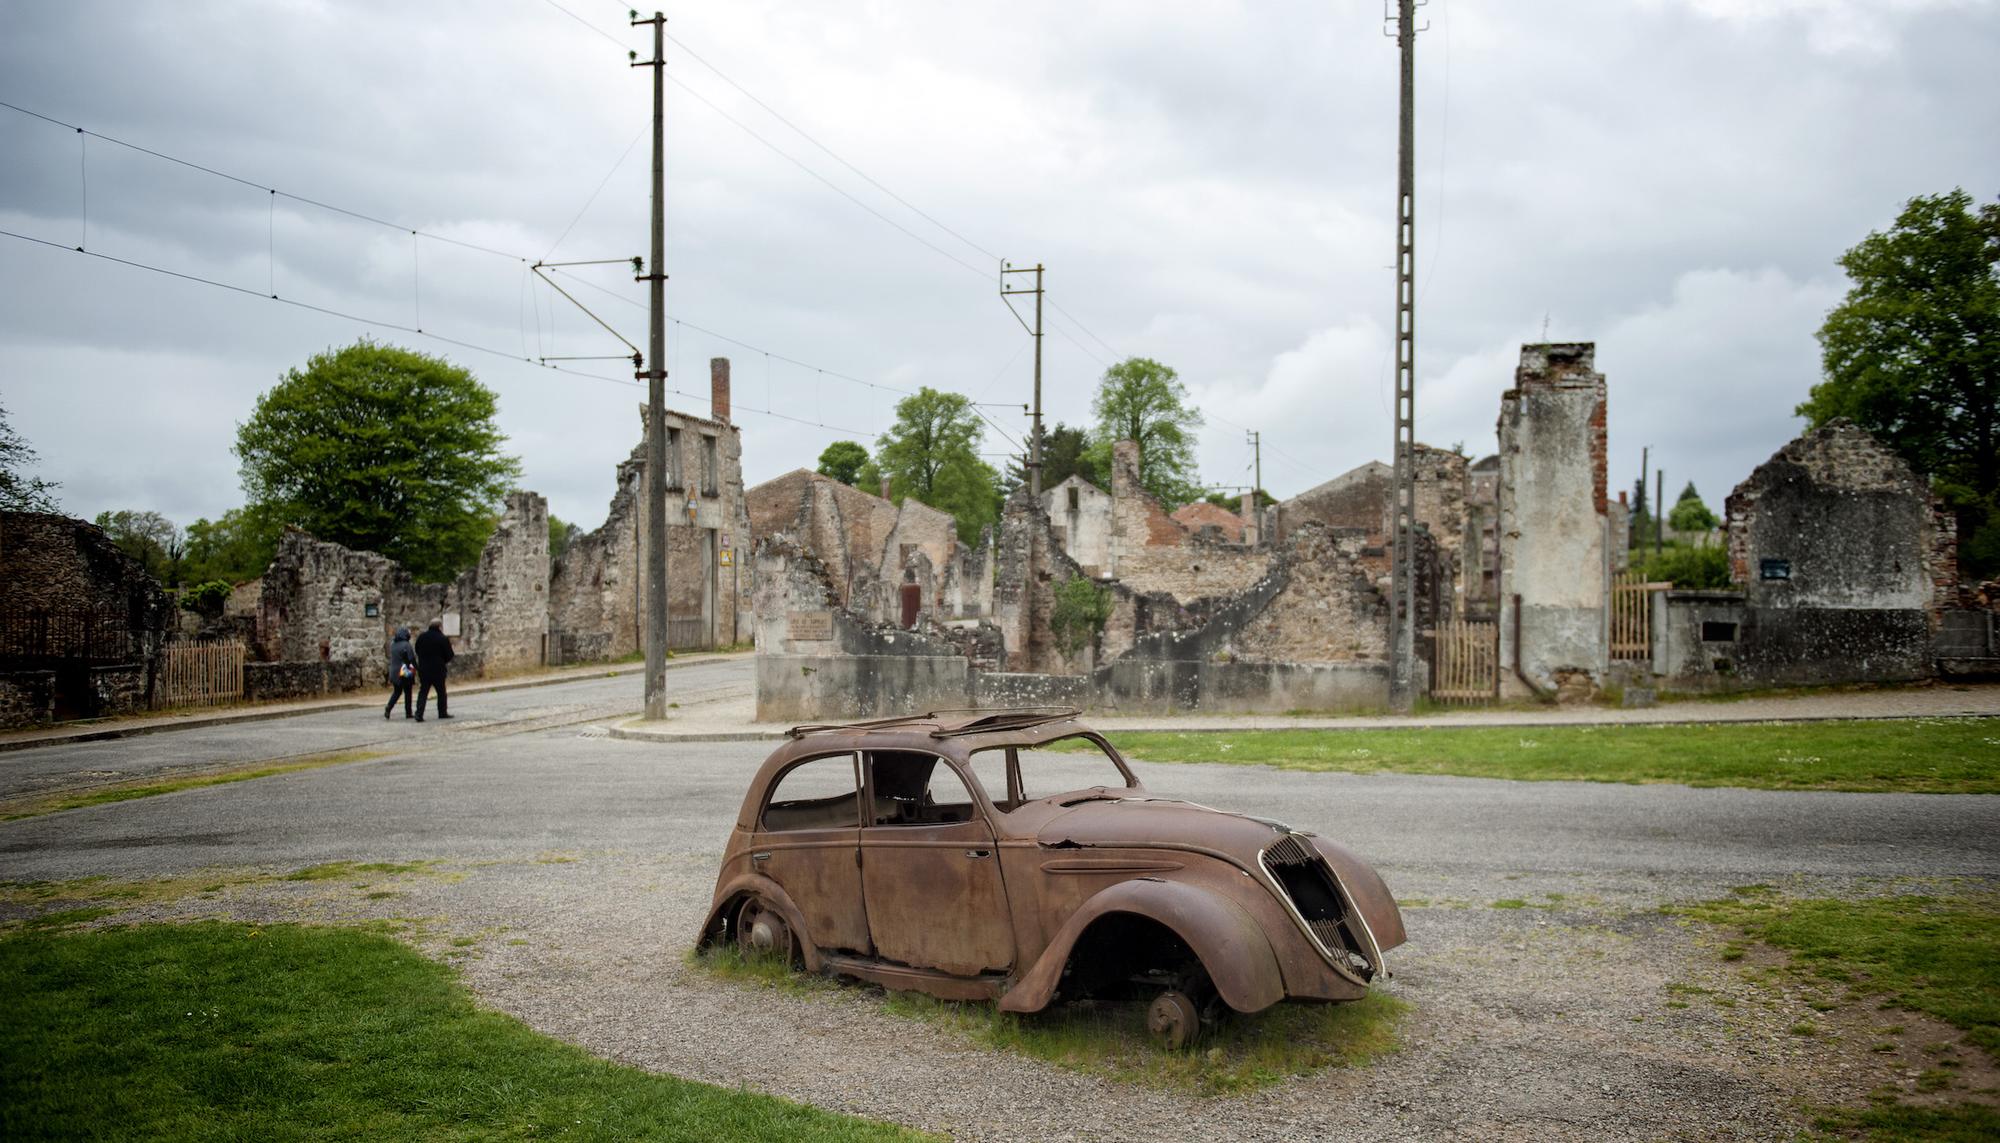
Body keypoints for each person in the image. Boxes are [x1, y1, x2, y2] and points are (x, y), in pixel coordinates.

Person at [414, 618, 455, 721]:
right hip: (438, 669)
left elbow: (417, 650)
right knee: (441, 692)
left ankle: (419, 714)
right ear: (439, 627)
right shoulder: (442, 638)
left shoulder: (422, 637)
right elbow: (449, 654)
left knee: (423, 692)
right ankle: (442, 712)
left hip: (424, 669)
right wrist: (442, 660)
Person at [384, 626, 418, 720]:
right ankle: (408, 712)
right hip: (404, 671)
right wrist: (417, 668)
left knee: (397, 692)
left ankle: (389, 707)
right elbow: (411, 658)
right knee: (408, 692)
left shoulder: (393, 644)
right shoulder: (406, 645)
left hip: (394, 671)